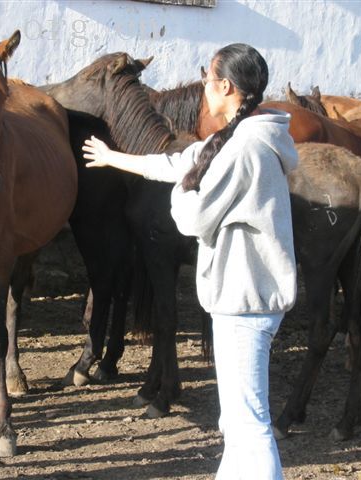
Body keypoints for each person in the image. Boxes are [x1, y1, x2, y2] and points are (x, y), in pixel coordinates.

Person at [82, 43, 297, 480]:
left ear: (226, 86)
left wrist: (180, 192)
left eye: (208, 78)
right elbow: (180, 162)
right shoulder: (240, 137)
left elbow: (191, 215)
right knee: (236, 422)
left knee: (249, 424)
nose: (202, 86)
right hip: (242, 297)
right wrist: (112, 158)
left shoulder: (244, 151)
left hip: (245, 301)